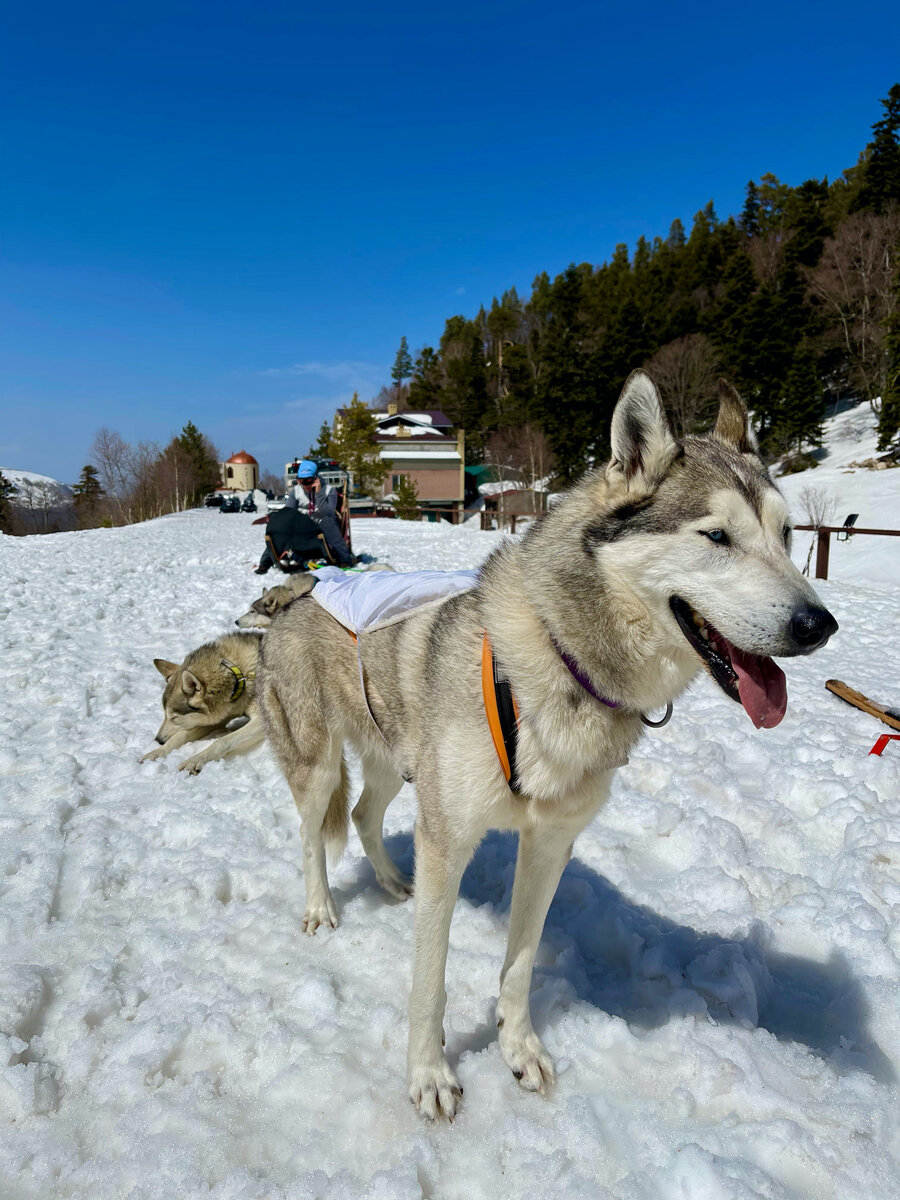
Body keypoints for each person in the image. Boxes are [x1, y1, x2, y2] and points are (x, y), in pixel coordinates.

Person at [294, 459, 356, 567]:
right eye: (302, 480)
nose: (306, 484)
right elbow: (289, 511)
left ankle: (345, 558)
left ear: (315, 479)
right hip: (308, 524)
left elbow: (326, 512)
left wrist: (318, 493)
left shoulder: (329, 491)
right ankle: (294, 557)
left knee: (326, 522)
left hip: (327, 521)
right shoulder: (297, 491)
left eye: (309, 480)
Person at [254, 496, 329, 574]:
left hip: (289, 540)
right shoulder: (301, 515)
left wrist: (263, 565)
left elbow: (269, 547)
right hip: (300, 541)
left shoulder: (279, 522)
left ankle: (288, 561)